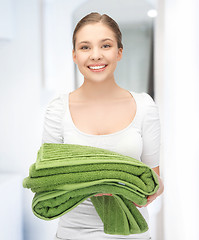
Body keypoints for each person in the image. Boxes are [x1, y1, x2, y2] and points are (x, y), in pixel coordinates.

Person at [42, 12, 164, 240]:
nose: (95, 55)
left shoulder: (144, 106)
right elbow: (48, 178)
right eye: (85, 47)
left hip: (131, 235)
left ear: (119, 52)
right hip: (73, 234)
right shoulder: (58, 109)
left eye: (105, 45)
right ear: (74, 55)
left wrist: (127, 188)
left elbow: (154, 182)